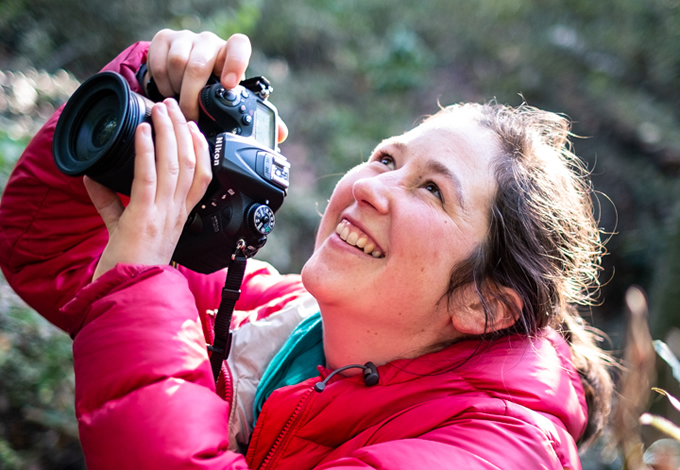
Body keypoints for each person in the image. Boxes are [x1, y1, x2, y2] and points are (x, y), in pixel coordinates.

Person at [0, 29, 613, 469]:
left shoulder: (497, 450)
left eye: (431, 190)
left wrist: (139, 279)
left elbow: (122, 290)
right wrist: (148, 89)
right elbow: (50, 253)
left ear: (485, 306)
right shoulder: (278, 315)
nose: (371, 187)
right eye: (385, 158)